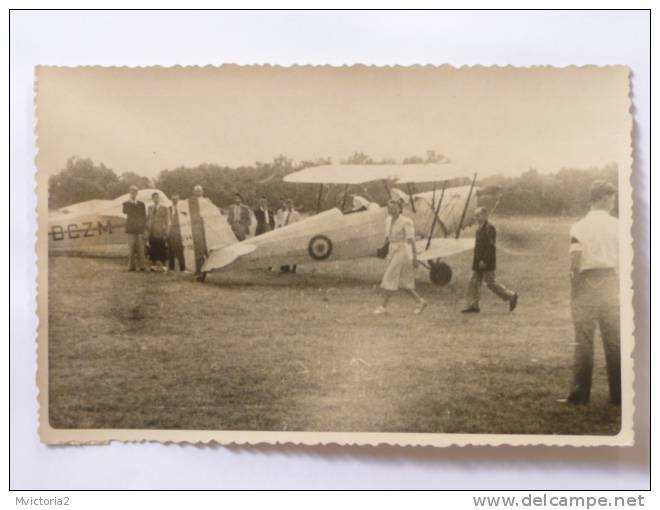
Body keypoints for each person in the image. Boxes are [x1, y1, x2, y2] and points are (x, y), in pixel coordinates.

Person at [559, 180, 620, 406]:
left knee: (584, 342)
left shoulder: (579, 226)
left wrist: (575, 288)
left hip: (586, 283)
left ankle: (579, 394)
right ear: (603, 198)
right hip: (611, 283)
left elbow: (575, 262)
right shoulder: (618, 225)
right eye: (612, 197)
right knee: (614, 342)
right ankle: (620, 395)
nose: (614, 201)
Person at [374, 199, 427, 315]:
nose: (392, 211)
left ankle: (383, 306)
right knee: (405, 282)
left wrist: (415, 257)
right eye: (390, 208)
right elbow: (388, 237)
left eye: (395, 208)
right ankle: (420, 302)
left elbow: (412, 241)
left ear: (400, 209)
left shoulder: (406, 221)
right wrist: (383, 247)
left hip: (402, 252)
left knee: (389, 277)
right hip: (393, 251)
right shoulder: (388, 220)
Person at [461, 207, 518, 313]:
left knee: (491, 283)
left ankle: (511, 296)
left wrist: (484, 261)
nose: (476, 217)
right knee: (473, 282)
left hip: (486, 262)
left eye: (478, 215)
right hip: (478, 262)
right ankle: (473, 306)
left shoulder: (489, 228)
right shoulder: (479, 228)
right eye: (476, 215)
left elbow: (490, 247)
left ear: (485, 215)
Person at [122, 185, 147, 271]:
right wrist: (131, 202)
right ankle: (131, 266)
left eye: (134, 192)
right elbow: (125, 211)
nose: (133, 194)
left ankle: (142, 266)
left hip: (139, 229)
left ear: (137, 193)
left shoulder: (141, 204)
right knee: (131, 248)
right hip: (131, 229)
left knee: (141, 248)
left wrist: (143, 227)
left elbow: (144, 216)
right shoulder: (126, 203)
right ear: (129, 193)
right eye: (131, 192)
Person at [147, 192, 170, 272]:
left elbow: (167, 221)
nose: (156, 199)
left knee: (162, 248)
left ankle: (164, 265)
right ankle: (153, 266)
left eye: (157, 197)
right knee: (153, 248)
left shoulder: (164, 208)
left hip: (161, 231)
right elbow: (148, 219)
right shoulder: (150, 208)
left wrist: (166, 231)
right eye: (154, 198)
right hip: (152, 231)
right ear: (152, 199)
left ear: (159, 198)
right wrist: (148, 228)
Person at [278, 199, 302, 273]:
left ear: (292, 205)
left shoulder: (296, 214)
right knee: (286, 251)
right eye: (287, 204)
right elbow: (282, 223)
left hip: (293, 234)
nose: (289, 206)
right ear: (286, 205)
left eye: (290, 204)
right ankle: (286, 266)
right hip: (285, 234)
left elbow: (299, 224)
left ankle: (294, 268)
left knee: (294, 251)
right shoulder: (285, 213)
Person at [167, 194, 185, 272]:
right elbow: (167, 220)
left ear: (178, 199)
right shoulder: (169, 209)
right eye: (173, 199)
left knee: (180, 249)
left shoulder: (182, 208)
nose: (174, 200)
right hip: (170, 230)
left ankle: (183, 268)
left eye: (176, 199)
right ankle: (171, 268)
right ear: (171, 200)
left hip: (179, 230)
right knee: (171, 249)